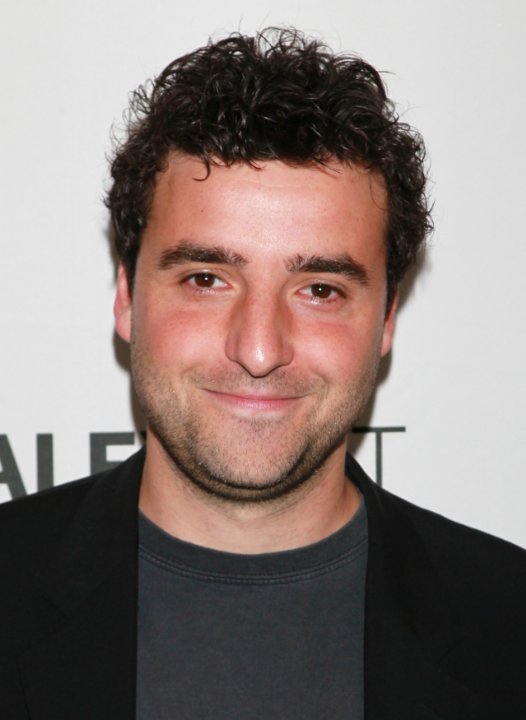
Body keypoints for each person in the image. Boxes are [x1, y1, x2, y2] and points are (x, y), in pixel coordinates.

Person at [1, 28, 525, 720]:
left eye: (320, 290)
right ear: (127, 298)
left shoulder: (508, 624)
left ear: (385, 321)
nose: (257, 349)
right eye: (206, 278)